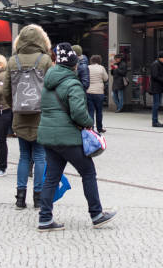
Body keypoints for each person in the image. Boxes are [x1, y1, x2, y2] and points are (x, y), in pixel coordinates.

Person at [37, 42, 116, 231]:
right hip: (68, 138)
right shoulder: (72, 83)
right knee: (88, 172)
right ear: (73, 64)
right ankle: (97, 214)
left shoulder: (48, 82)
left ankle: (45, 218)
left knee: (51, 177)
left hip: (49, 137)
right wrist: (89, 123)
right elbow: (79, 114)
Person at [3, 24, 53, 209]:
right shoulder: (45, 60)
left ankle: (20, 197)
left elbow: (6, 91)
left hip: (20, 115)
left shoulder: (12, 60)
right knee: (40, 156)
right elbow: (51, 88)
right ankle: (38, 198)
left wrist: (15, 106)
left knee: (24, 156)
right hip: (41, 115)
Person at [87, 55, 109, 133]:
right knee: (99, 111)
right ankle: (99, 128)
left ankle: (91, 128)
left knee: (90, 111)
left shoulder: (88, 67)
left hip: (89, 91)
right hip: (99, 92)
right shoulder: (101, 68)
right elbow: (106, 78)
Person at [150, 51, 163, 127]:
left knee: (156, 104)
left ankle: (155, 120)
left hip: (157, 87)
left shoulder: (158, 64)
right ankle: (154, 121)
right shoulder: (156, 64)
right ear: (160, 58)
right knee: (156, 104)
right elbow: (155, 76)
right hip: (156, 87)